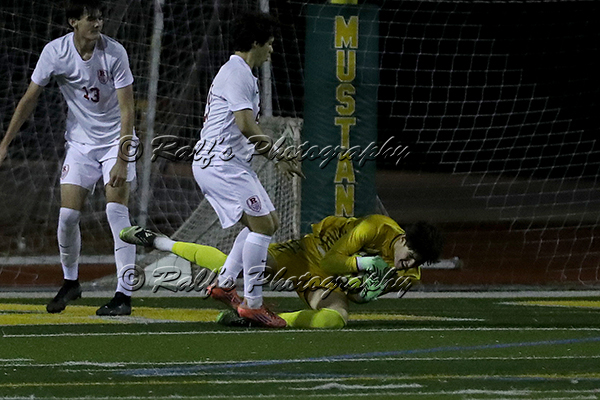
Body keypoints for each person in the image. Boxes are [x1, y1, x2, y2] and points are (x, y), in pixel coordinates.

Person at [0, 0, 137, 316]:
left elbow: (128, 110)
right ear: (73, 21)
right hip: (80, 144)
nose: (97, 24)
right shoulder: (55, 52)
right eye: (91, 18)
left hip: (115, 142)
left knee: (116, 213)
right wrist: (5, 143)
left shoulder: (114, 53)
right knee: (67, 217)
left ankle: (124, 295)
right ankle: (71, 281)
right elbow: (29, 99)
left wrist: (122, 158)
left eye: (100, 18)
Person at [120, 214, 444, 329]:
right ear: (403, 239)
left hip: (324, 281)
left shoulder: (408, 275)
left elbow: (358, 295)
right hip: (307, 254)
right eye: (409, 256)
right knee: (231, 267)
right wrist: (364, 265)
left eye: (416, 263)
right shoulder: (375, 227)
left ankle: (261, 320)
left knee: (335, 319)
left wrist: (362, 293)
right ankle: (160, 242)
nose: (408, 265)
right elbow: (332, 261)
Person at [190, 11, 303, 328]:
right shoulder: (237, 72)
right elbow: (245, 125)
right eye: (270, 43)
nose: (272, 49)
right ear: (255, 42)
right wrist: (277, 154)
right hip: (220, 164)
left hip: (229, 164)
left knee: (269, 222)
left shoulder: (239, 72)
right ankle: (253, 304)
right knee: (262, 226)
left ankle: (225, 284)